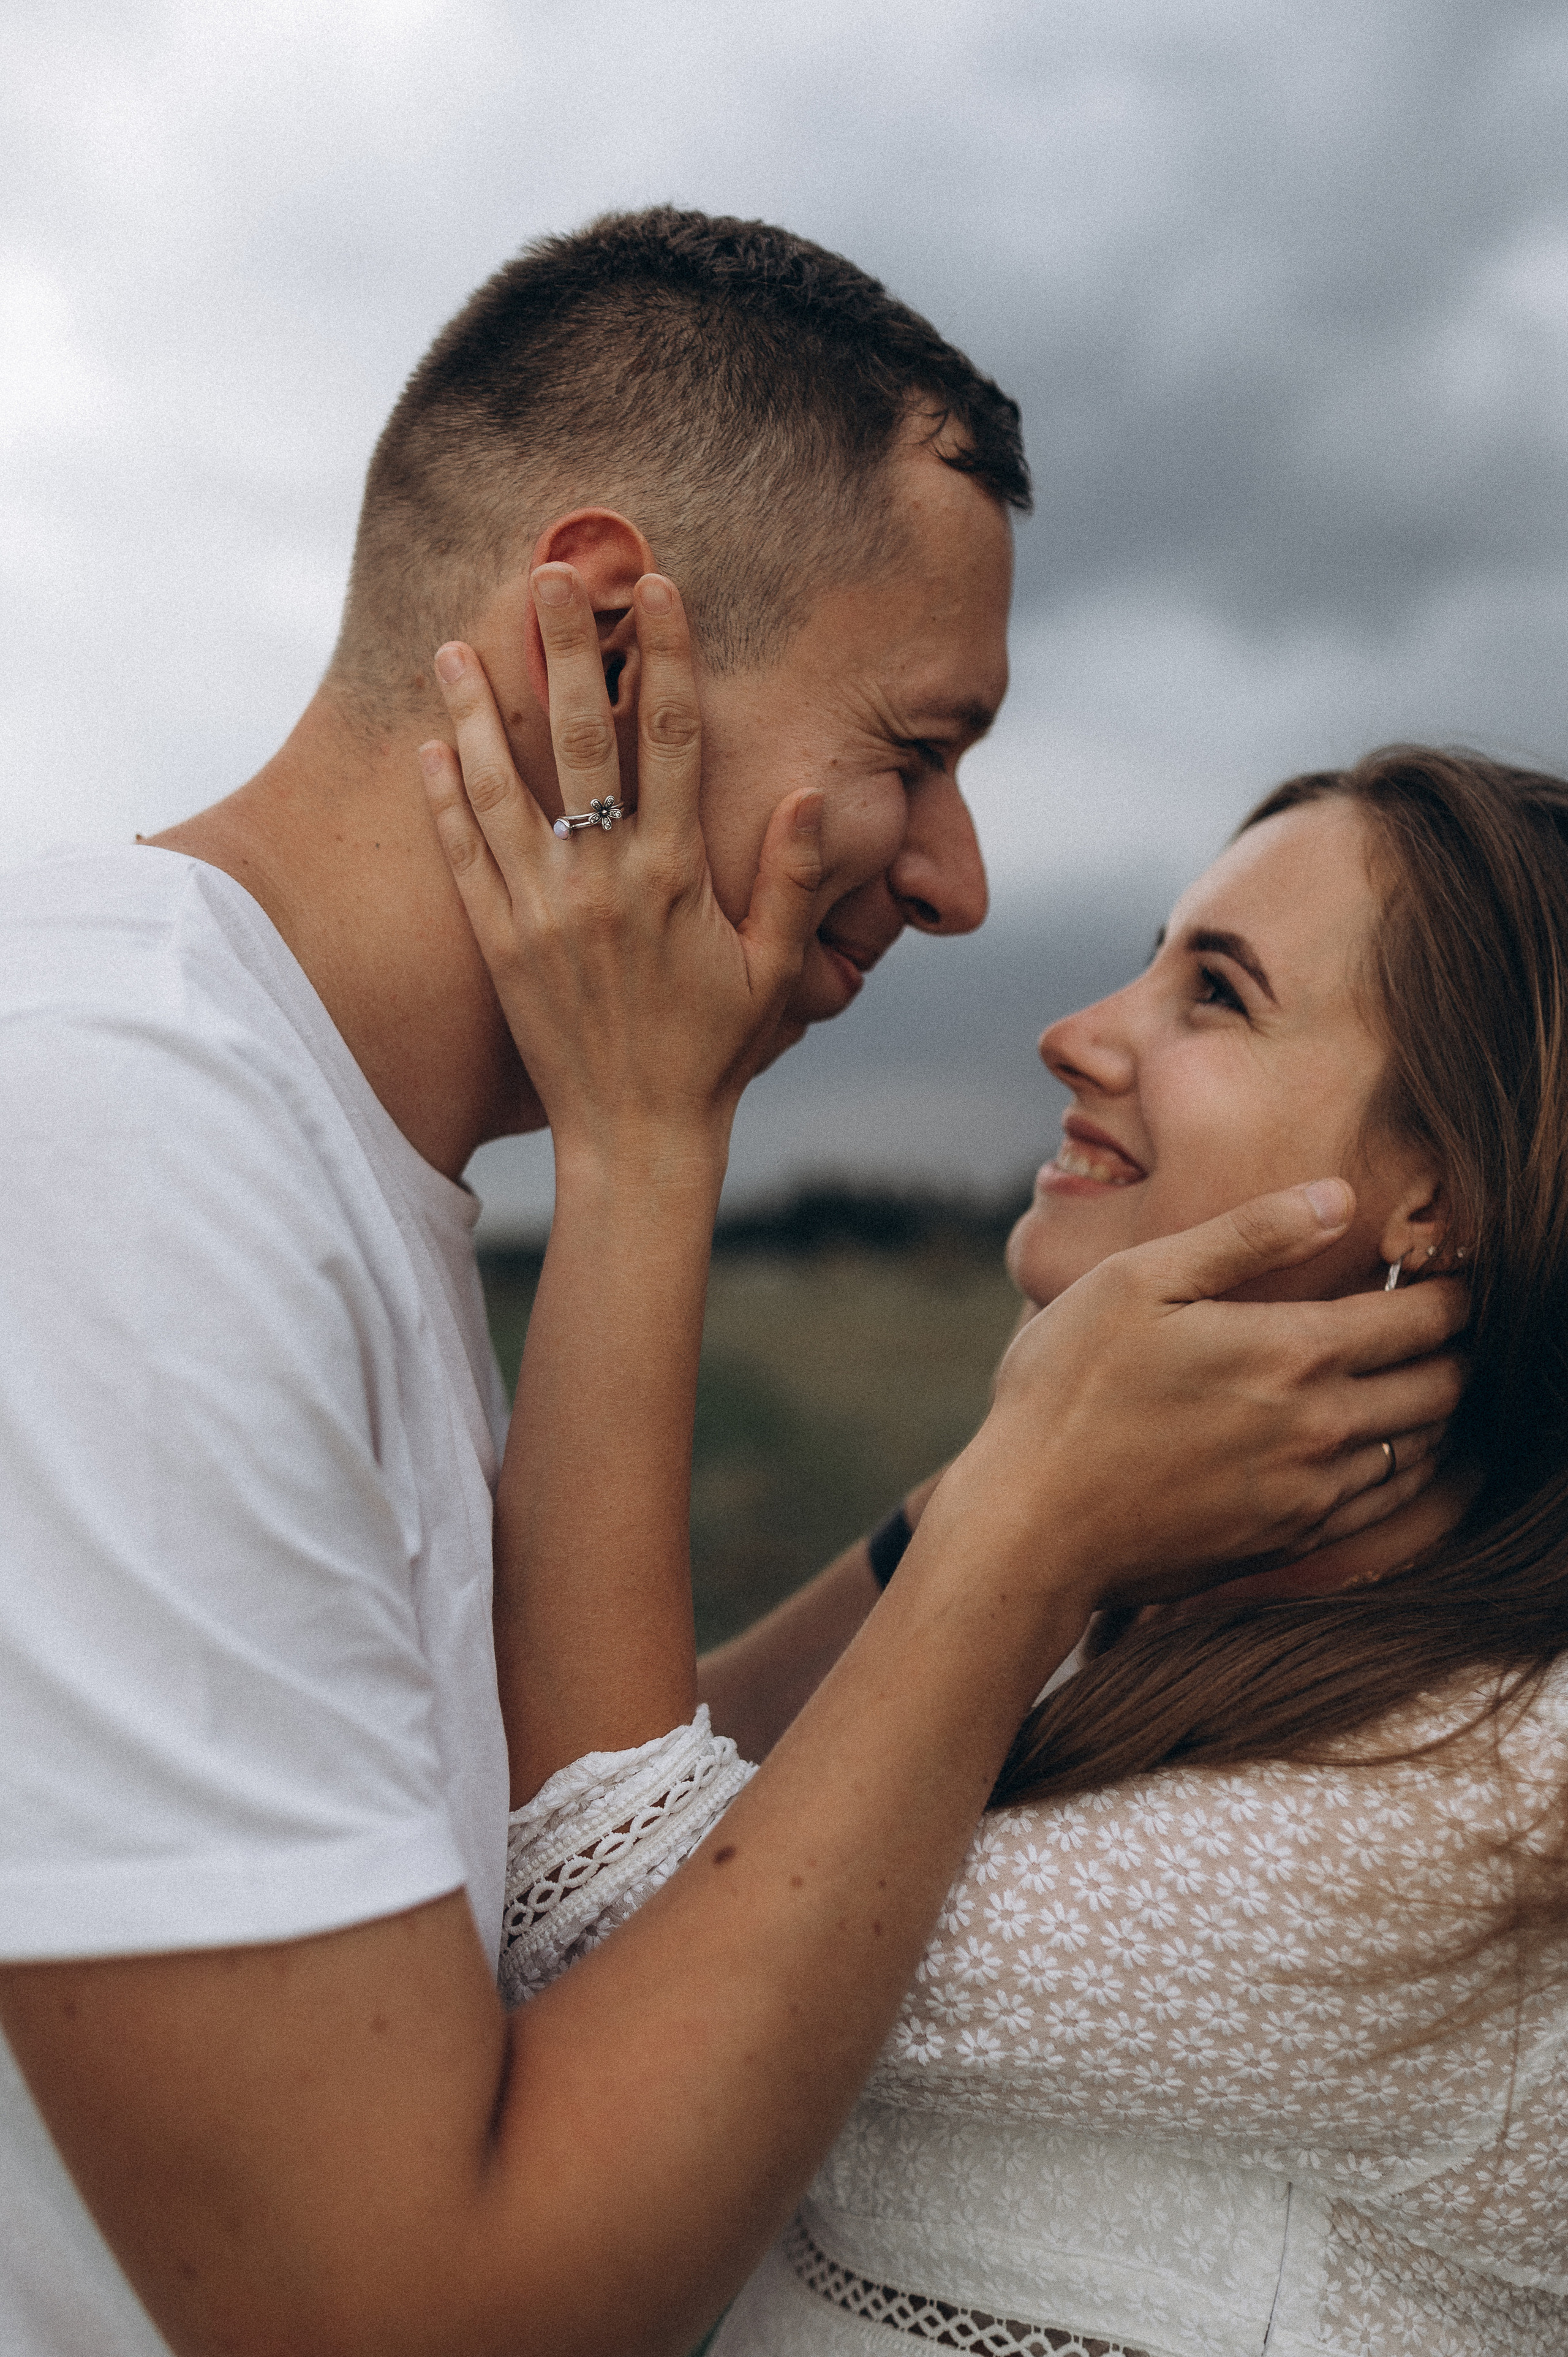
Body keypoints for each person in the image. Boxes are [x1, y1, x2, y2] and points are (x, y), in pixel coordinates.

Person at [0, 209, 1463, 2357]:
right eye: (917, 747)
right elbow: (414, 2324)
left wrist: (1018, 1502)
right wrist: (1017, 1536)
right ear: (603, 643)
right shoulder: (126, 1148)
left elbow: (563, 1822)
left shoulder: (281, 1151)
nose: (962, 884)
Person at [470, 735, 1567, 2356]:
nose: (1075, 1036)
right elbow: (693, 1749)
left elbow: (607, 1935)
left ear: (1442, 1195)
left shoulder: (1498, 1787)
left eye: (1220, 994)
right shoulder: (1126, 1608)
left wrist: (642, 1132)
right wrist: (1014, 1495)